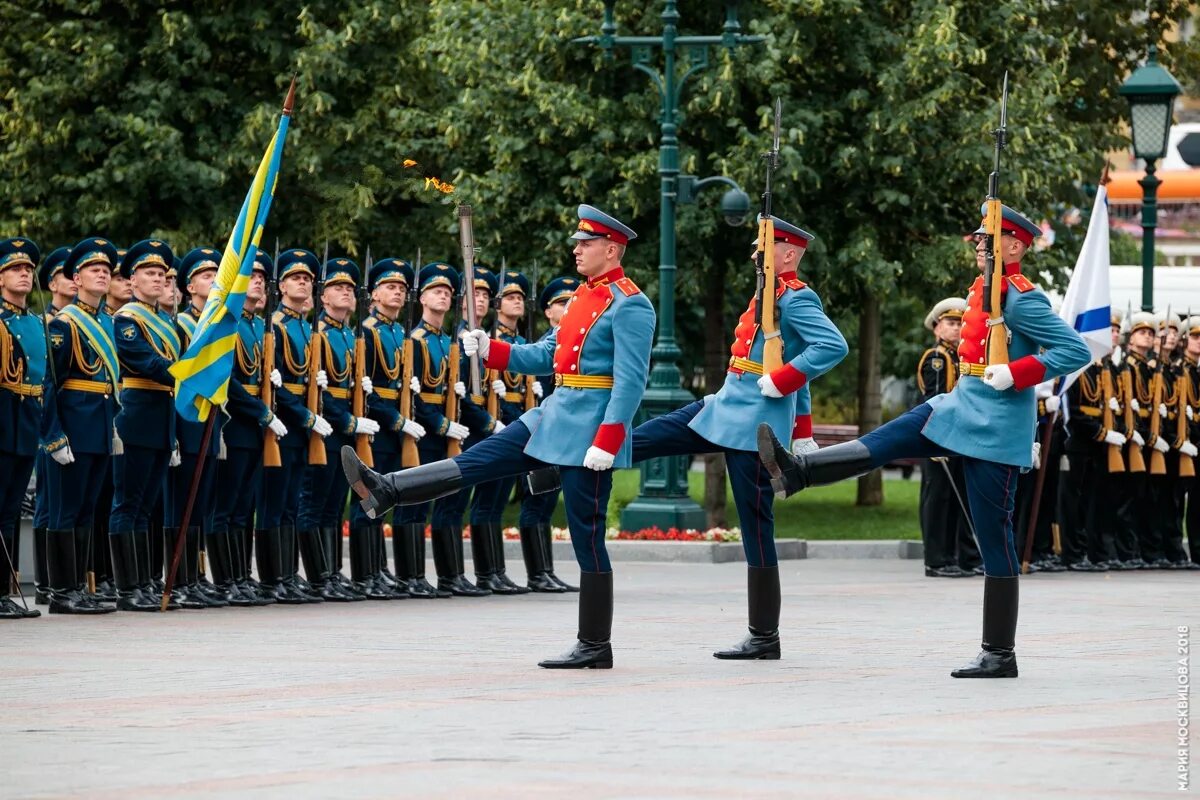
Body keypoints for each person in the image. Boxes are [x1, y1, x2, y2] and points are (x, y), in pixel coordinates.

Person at [756, 203, 1091, 678]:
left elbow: (1074, 349)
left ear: (1014, 247)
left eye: (987, 239)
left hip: (995, 427)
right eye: (978, 238)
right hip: (957, 405)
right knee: (890, 438)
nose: (978, 244)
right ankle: (799, 472)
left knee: (994, 537)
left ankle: (999, 653)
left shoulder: (1021, 299)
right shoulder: (983, 293)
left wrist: (1016, 373)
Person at [344, 204, 655, 668]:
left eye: (584, 243)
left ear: (611, 249)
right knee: (479, 460)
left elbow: (631, 381)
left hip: (589, 430)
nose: (576, 249)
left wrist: (608, 441)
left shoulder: (630, 304)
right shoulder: (581, 299)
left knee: (587, 535)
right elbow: (547, 354)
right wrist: (492, 349)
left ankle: (595, 645)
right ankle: (389, 488)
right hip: (553, 413)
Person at [629, 215, 848, 659]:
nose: (754, 255)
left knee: (755, 527)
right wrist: (798, 419)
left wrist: (784, 382)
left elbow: (831, 346)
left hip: (756, 423)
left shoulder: (795, 298)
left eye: (763, 248)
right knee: (645, 437)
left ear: (787, 255)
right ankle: (564, 468)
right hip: (727, 406)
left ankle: (764, 636)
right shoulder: (767, 295)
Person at [42, 237, 122, 614]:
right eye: (95, 269)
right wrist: (54, 435)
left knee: (88, 510)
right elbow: (48, 386)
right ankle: (61, 592)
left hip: (100, 428)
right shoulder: (64, 325)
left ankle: (81, 586)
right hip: (73, 429)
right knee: (65, 510)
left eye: (106, 270)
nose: (103, 274)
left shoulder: (106, 321)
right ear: (77, 278)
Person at [297, 256, 379, 601]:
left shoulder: (350, 335)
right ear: (322, 296)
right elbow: (319, 391)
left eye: (349, 287)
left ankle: (331, 572)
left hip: (347, 429)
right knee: (313, 502)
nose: (345, 292)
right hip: (324, 428)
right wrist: (346, 420)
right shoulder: (317, 334)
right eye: (336, 287)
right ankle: (318, 576)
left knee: (334, 502)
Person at [349, 258, 426, 599]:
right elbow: (366, 391)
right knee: (368, 498)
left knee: (386, 500)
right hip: (376, 428)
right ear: (374, 294)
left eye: (401, 288)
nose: (397, 292)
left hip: (397, 429)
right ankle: (364, 575)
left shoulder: (399, 333)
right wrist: (397, 420)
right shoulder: (365, 332)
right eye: (389, 287)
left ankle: (379, 570)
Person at [260, 248, 333, 604]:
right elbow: (274, 385)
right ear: (282, 286)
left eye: (307, 279)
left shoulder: (306, 328)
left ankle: (288, 573)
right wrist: (306, 416)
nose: (302, 282)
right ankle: (272, 578)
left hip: (303, 426)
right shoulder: (274, 326)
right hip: (284, 425)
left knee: (291, 502)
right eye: (295, 278)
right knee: (274, 503)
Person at [207, 250, 277, 605]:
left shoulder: (257, 325)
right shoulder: (227, 321)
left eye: (263, 277)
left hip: (255, 424)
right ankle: (224, 580)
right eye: (252, 275)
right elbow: (228, 380)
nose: (260, 281)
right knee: (226, 502)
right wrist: (261, 411)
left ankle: (240, 575)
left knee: (243, 505)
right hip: (235, 420)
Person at [166, 248, 229, 608]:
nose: (215, 282)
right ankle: (182, 578)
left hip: (211, 419)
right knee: (182, 503)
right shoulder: (182, 326)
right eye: (207, 277)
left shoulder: (215, 325)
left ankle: (197, 575)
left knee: (202, 503)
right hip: (187, 421)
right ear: (190, 286)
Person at [465, 268, 533, 595]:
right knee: (484, 502)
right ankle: (483, 573)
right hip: (486, 428)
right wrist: (495, 423)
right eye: (510, 297)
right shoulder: (478, 341)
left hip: (509, 425)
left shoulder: (518, 343)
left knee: (496, 503)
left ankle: (496, 571)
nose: (516, 302)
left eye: (520, 297)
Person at [516, 275, 580, 593]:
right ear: (548, 312)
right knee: (535, 500)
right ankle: (536, 573)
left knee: (546, 504)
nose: (568, 308)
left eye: (572, 302)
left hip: (560, 435)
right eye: (560, 303)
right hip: (539, 432)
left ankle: (546, 570)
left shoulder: (574, 344)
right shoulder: (546, 346)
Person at [916, 297, 980, 578]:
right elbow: (937, 400)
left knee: (955, 500)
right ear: (937, 329)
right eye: (950, 324)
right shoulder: (937, 358)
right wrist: (938, 440)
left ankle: (954, 557)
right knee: (938, 500)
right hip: (940, 438)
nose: (956, 329)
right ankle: (936, 560)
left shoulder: (959, 358)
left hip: (958, 438)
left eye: (959, 324)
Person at [0, 238, 48, 618]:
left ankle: (6, 588)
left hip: (28, 417)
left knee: (12, 509)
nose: (25, 274)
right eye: (16, 269)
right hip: (3, 415)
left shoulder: (35, 322)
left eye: (29, 269)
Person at [31, 246, 73, 606]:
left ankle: (77, 580)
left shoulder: (87, 321)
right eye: (66, 275)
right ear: (52, 283)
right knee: (49, 504)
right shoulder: (48, 325)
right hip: (49, 425)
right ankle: (47, 581)